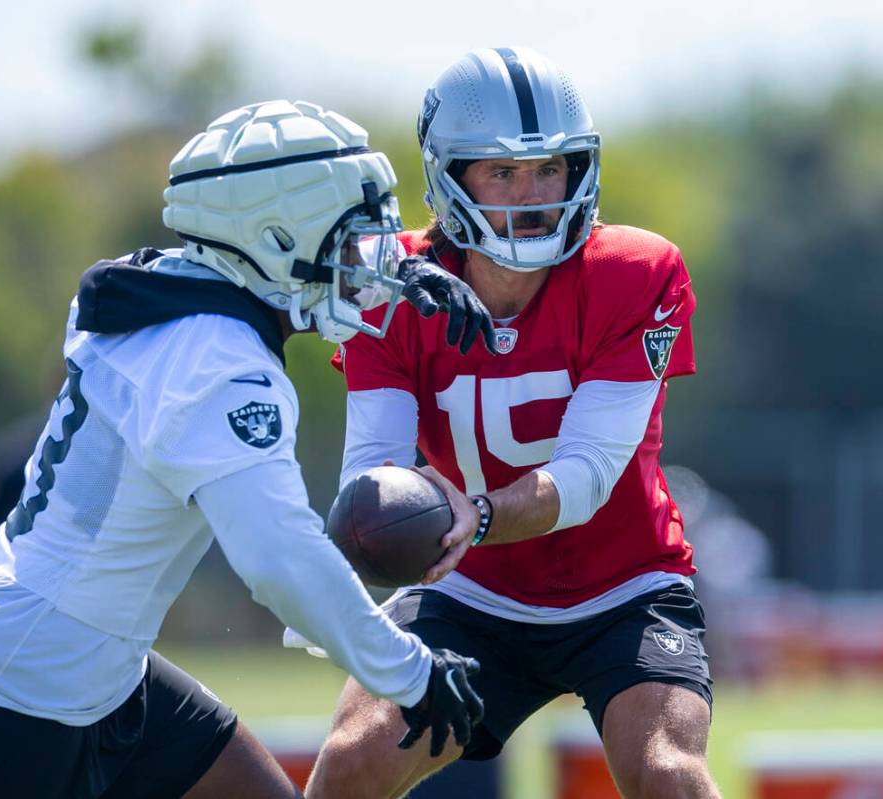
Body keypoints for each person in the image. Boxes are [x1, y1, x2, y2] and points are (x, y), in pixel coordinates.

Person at [0, 100, 489, 799]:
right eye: (351, 240)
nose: (372, 260)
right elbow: (280, 560)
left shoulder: (168, 290)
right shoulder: (219, 360)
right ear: (273, 235)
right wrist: (410, 673)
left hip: (91, 668)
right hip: (6, 690)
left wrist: (403, 275)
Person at [306, 48, 721, 798]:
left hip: (622, 584)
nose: (531, 194)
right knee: (351, 760)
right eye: (500, 172)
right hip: (466, 594)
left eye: (549, 168)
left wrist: (477, 513)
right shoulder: (388, 285)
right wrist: (389, 527)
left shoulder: (635, 271)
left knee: (668, 771)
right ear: (448, 176)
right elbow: (373, 469)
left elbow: (587, 475)